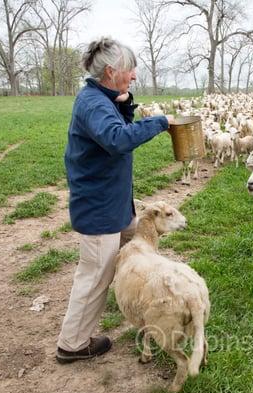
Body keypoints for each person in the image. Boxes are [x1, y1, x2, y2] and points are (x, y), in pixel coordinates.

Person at [56, 37, 173, 364]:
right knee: (95, 274)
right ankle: (73, 344)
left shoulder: (101, 99)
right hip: (99, 208)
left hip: (114, 203)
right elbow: (117, 138)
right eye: (129, 69)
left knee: (141, 247)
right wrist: (158, 122)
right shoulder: (92, 104)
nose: (134, 75)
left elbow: (114, 125)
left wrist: (123, 103)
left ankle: (146, 305)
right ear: (110, 71)